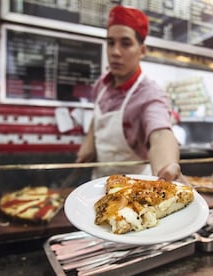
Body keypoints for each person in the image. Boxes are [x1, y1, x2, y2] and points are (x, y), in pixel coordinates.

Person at [76, 5, 181, 181]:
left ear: (142, 50)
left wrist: (166, 167)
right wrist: (89, 142)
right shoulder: (101, 85)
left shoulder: (150, 94)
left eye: (126, 43)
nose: (115, 52)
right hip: (98, 183)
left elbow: (160, 132)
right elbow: (98, 116)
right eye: (111, 43)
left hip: (134, 189)